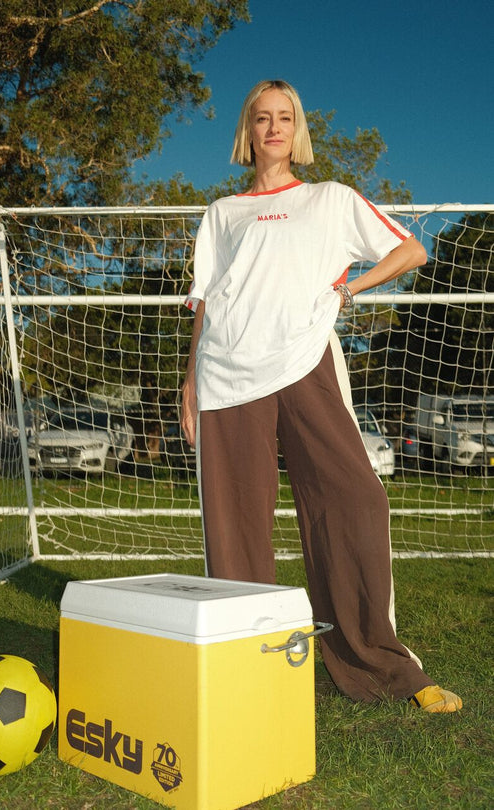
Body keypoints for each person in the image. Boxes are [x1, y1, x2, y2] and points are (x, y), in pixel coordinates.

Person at [181, 79, 461, 713]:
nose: (274, 128)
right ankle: (247, 669)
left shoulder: (331, 199)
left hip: (305, 361)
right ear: (246, 131)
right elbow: (205, 300)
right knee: (235, 526)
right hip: (225, 373)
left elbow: (410, 250)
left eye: (285, 118)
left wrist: (346, 292)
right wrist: (192, 378)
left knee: (354, 501)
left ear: (298, 131)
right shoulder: (222, 214)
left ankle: (379, 667)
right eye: (262, 118)